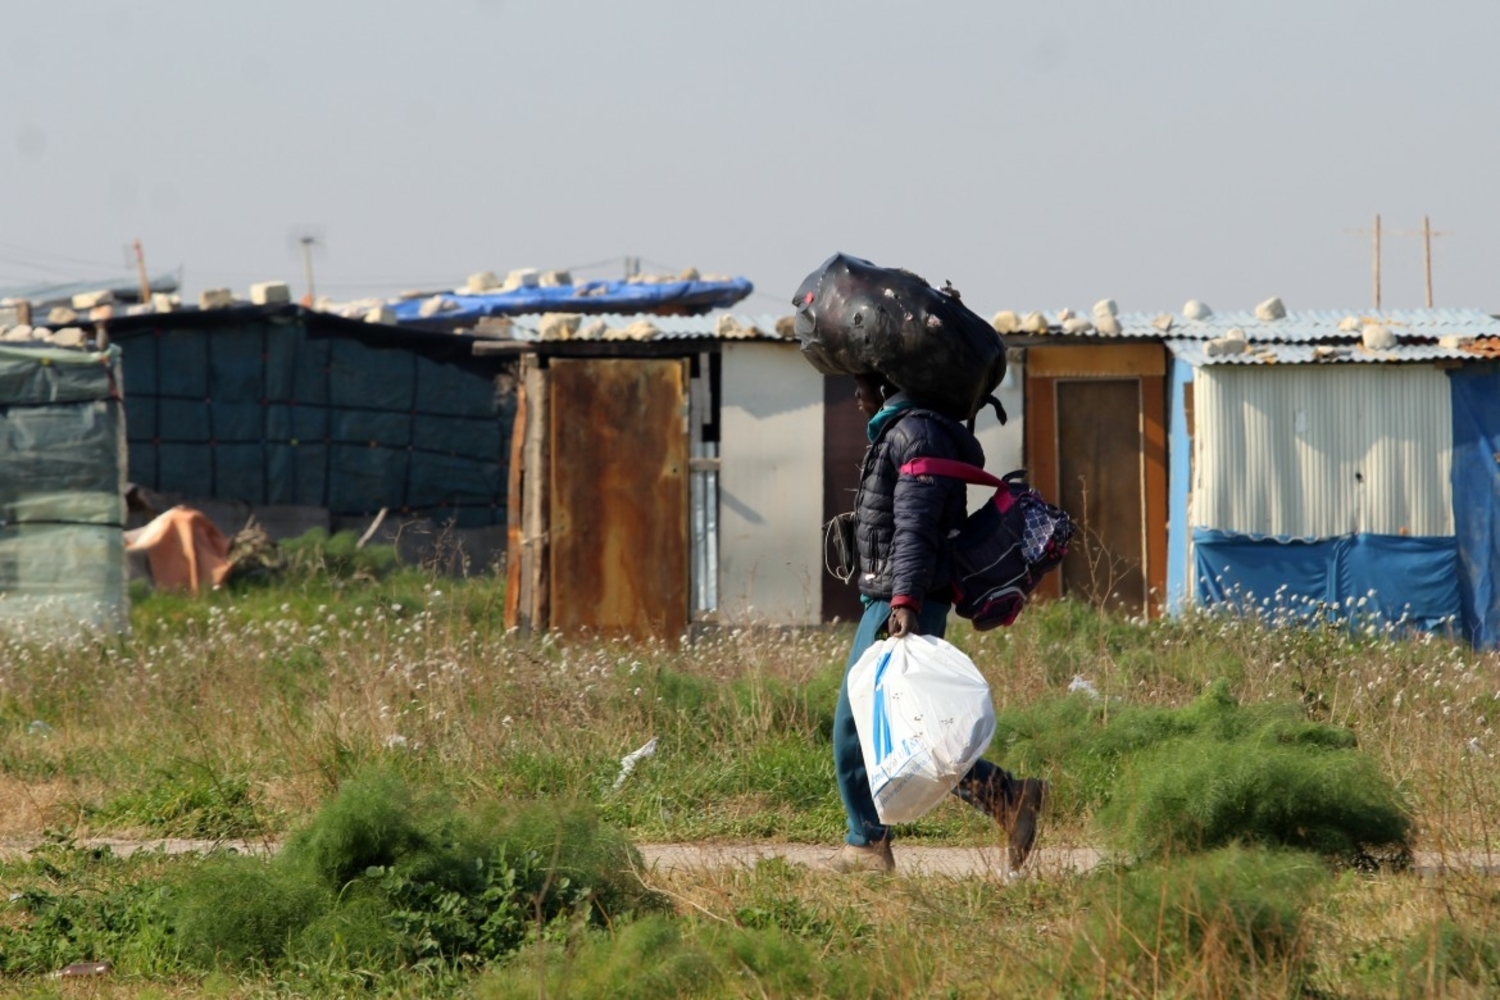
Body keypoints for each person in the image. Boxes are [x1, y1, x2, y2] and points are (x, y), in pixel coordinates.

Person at [828, 373, 1048, 874]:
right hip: (899, 597)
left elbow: (915, 527)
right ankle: (1007, 798)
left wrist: (902, 600)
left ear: (887, 384)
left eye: (861, 382)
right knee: (912, 728)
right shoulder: (908, 430)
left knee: (857, 725)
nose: (856, 394)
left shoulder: (915, 433)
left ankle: (866, 844)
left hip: (902, 602)